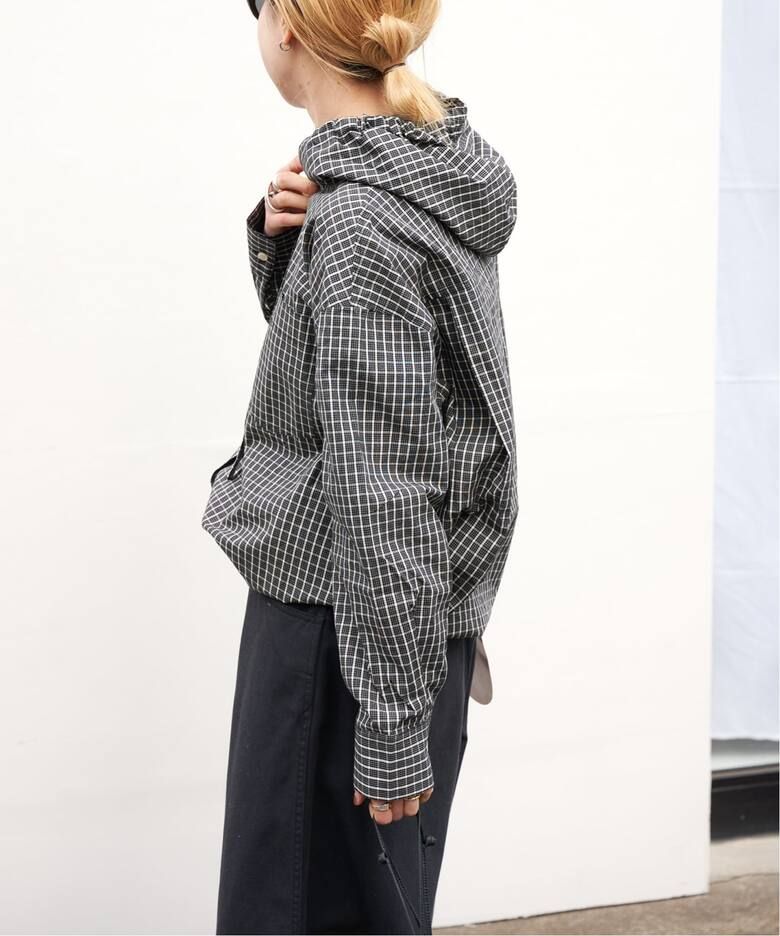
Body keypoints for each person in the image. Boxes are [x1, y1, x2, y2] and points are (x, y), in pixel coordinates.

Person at [201, 0, 519, 931]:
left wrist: (389, 722)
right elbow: (358, 399)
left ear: (287, 28)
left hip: (343, 643)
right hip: (391, 632)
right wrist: (286, 244)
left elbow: (385, 490)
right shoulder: (416, 171)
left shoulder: (361, 222)